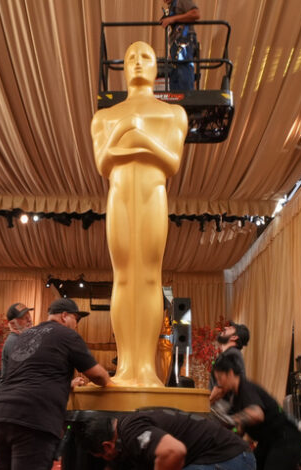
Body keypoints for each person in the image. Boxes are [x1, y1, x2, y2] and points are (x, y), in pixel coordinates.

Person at [91, 40, 188, 387]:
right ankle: (126, 367)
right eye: (130, 57)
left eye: (144, 56)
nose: (136, 62)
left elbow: (171, 162)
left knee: (149, 277)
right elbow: (103, 162)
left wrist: (139, 138)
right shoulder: (105, 116)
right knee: (122, 277)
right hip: (118, 197)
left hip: (152, 194)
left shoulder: (173, 113)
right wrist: (124, 129)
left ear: (155, 66)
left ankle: (145, 367)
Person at [0, 298, 112, 470]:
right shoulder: (66, 335)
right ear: (64, 316)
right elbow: (99, 376)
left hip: (2, 416)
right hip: (34, 419)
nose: (76, 325)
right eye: (76, 319)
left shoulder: (25, 336)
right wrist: (110, 380)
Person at [78, 408, 255, 469]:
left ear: (107, 446)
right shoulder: (124, 432)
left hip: (230, 458)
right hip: (232, 455)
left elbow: (174, 451)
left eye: (102, 456)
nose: (106, 460)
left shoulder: (131, 431)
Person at [212, 355, 301, 470]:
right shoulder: (235, 397)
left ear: (230, 373)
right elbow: (240, 429)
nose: (219, 383)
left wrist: (231, 419)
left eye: (220, 378)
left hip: (286, 437)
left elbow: (257, 414)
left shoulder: (245, 388)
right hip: (268, 441)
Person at [159, 0, 200, 90]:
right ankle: (177, 96)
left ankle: (187, 96)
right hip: (176, 44)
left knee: (184, 74)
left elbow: (195, 13)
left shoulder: (181, 1)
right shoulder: (171, 6)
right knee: (175, 76)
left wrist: (172, 19)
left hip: (184, 41)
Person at [209, 322, 250, 403]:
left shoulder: (231, 355)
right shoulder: (231, 354)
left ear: (234, 337)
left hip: (224, 408)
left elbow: (220, 389)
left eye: (230, 328)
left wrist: (206, 404)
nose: (225, 328)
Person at [1, 302, 34, 378]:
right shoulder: (15, 342)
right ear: (13, 324)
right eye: (24, 318)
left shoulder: (21, 339)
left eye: (29, 315)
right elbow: (23, 374)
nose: (29, 320)